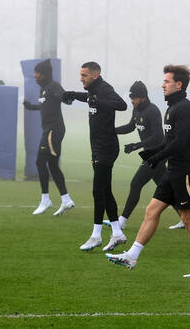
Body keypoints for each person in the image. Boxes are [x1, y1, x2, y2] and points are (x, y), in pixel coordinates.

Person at [107, 65, 190, 277]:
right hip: (173, 170)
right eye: (163, 81)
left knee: (188, 218)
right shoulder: (171, 108)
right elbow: (169, 140)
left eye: (166, 81)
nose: (162, 85)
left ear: (178, 84)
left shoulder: (184, 107)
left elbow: (181, 142)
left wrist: (156, 157)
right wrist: (152, 152)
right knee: (151, 211)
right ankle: (132, 255)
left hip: (185, 172)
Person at [62, 62, 128, 252]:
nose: (81, 78)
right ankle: (117, 233)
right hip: (97, 147)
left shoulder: (105, 89)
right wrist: (74, 95)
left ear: (95, 75)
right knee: (105, 190)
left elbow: (121, 105)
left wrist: (96, 101)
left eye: (84, 75)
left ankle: (96, 236)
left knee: (97, 191)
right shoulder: (93, 90)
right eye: (80, 75)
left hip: (107, 147)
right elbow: (90, 98)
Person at [113, 81, 167, 230]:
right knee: (165, 189)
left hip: (157, 154)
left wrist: (136, 145)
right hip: (150, 153)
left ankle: (122, 221)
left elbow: (158, 136)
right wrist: (112, 130)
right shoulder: (136, 109)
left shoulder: (153, 111)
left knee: (135, 184)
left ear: (142, 97)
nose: (131, 101)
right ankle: (185, 217)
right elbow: (130, 127)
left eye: (134, 98)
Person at [23, 58, 74, 216]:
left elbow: (65, 98)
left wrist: (68, 98)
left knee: (40, 161)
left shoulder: (53, 86)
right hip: (49, 130)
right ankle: (66, 200)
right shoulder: (43, 89)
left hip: (54, 130)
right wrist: (31, 106)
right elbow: (45, 106)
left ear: (44, 74)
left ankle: (45, 200)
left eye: (37, 73)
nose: (34, 75)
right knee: (52, 165)